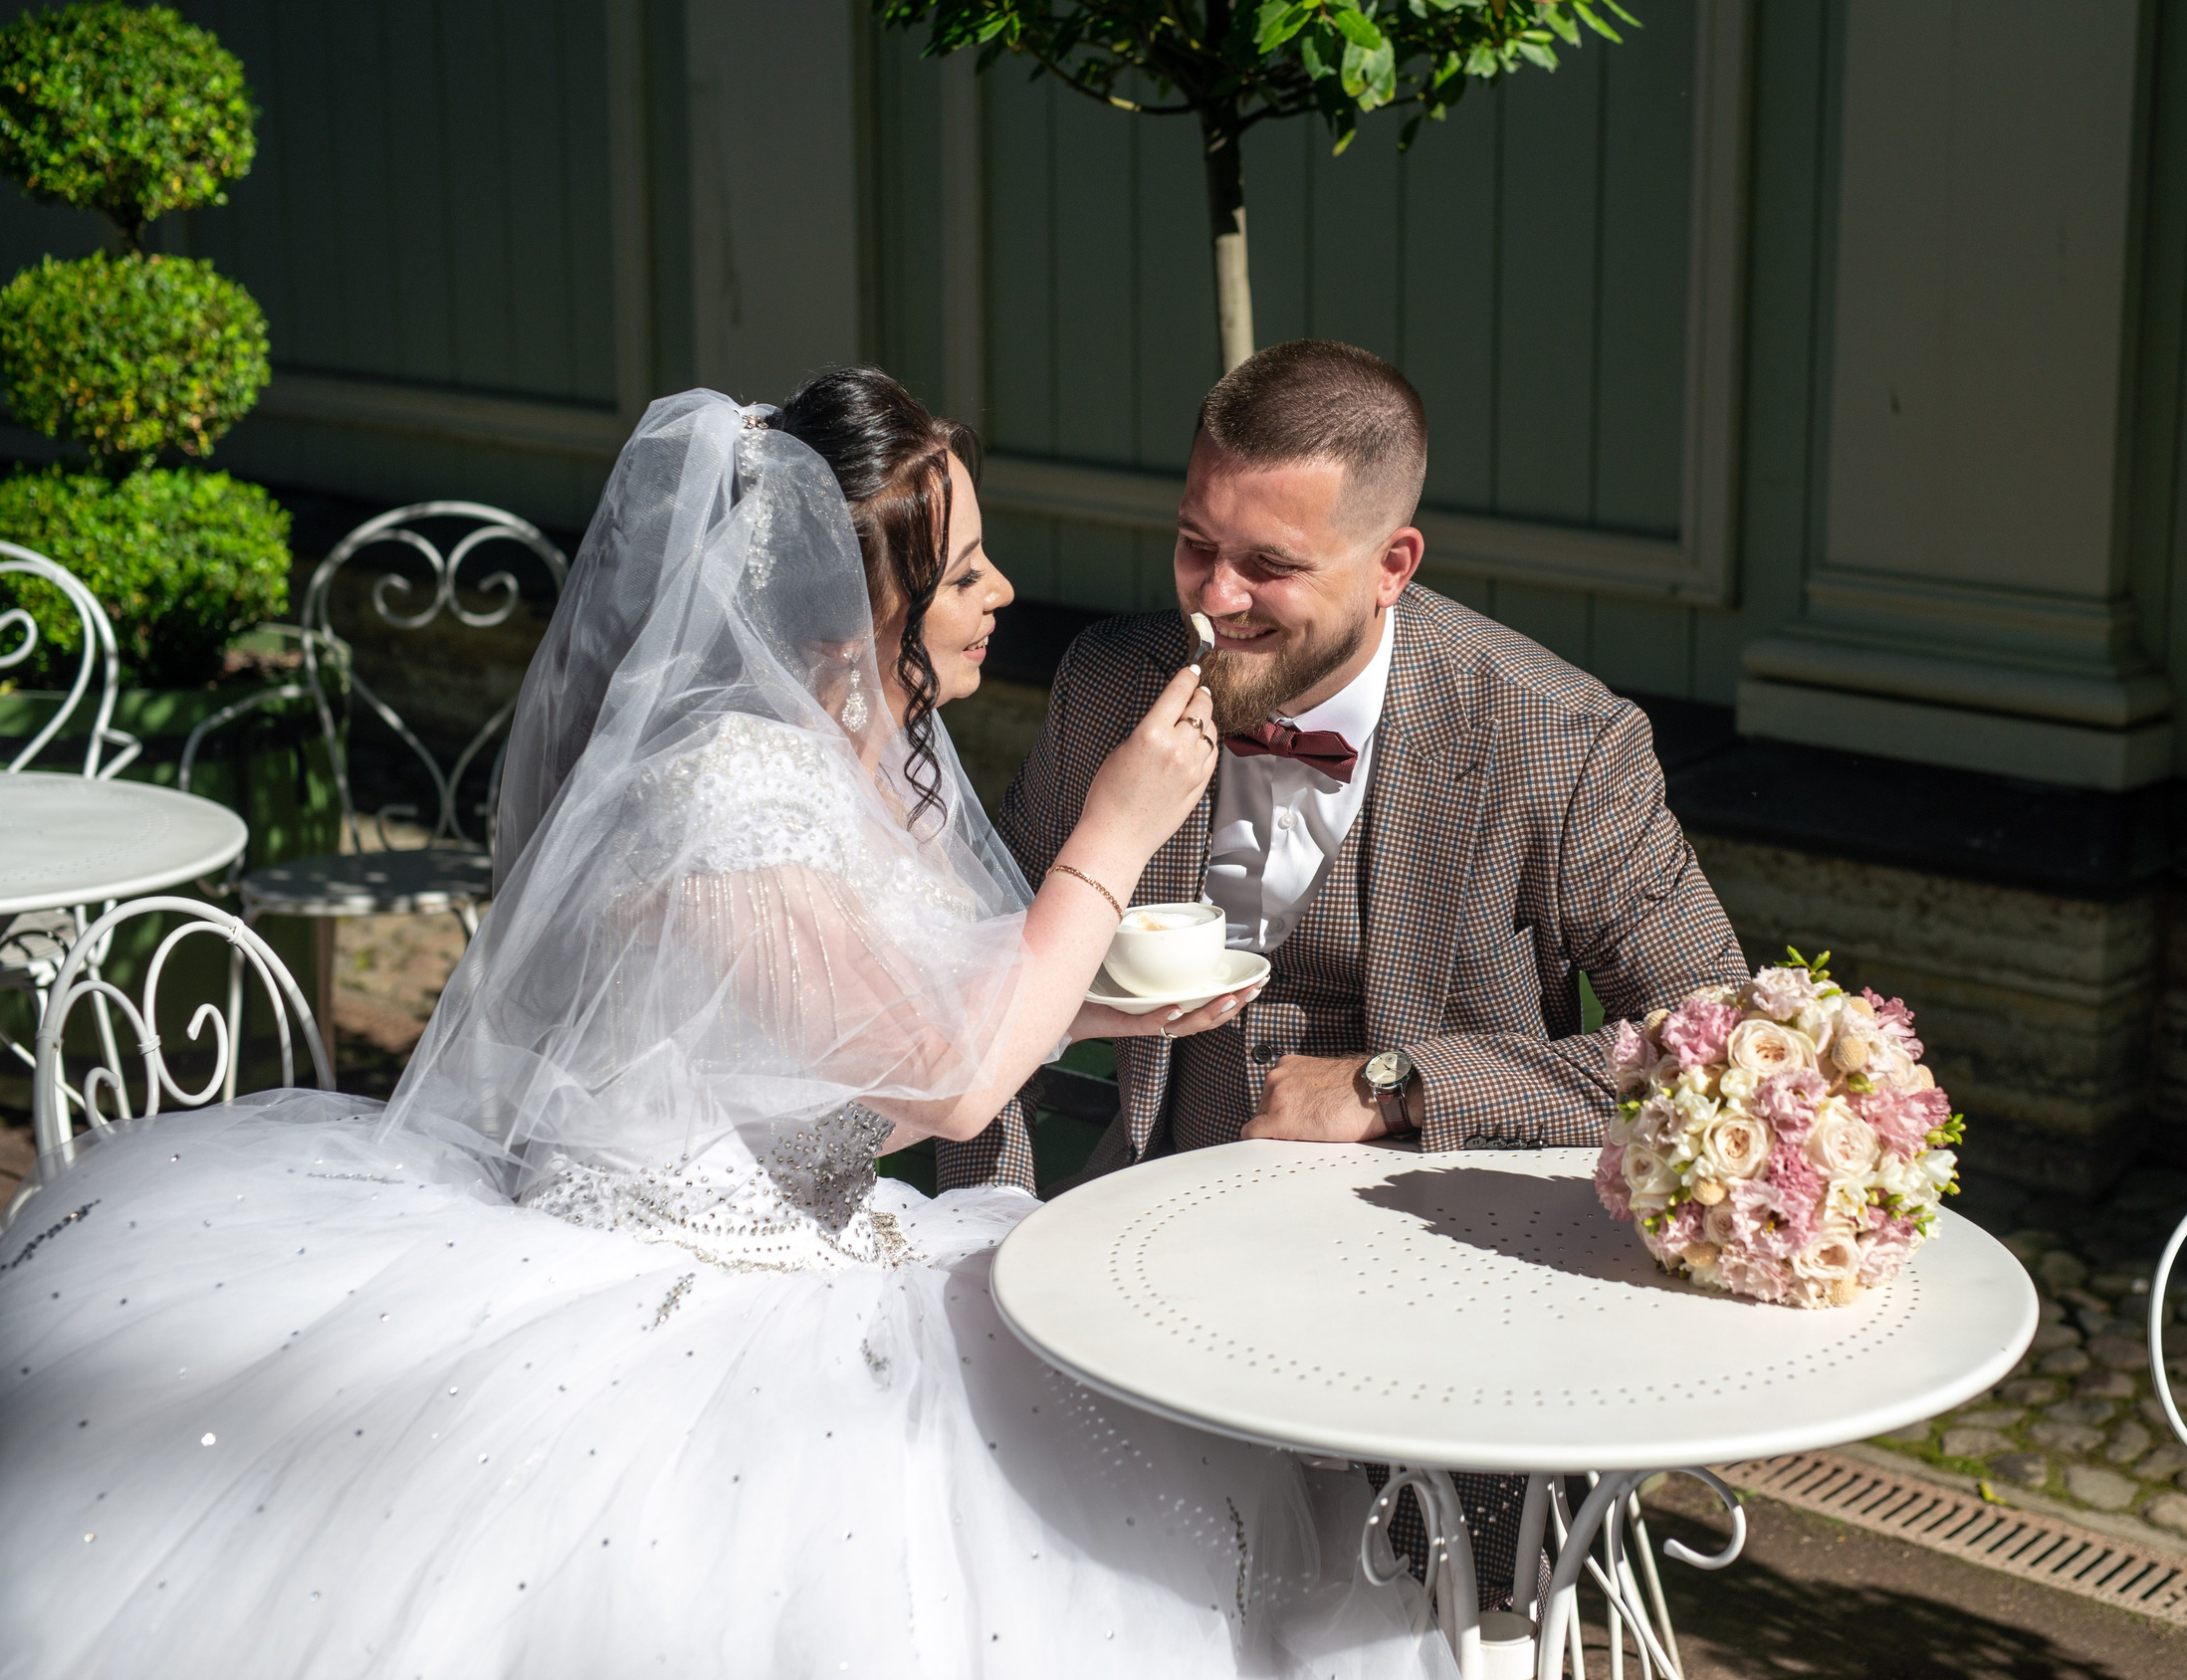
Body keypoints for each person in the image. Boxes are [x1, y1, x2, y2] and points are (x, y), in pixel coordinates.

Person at [0, 378, 1451, 1680]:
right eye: (959, 571)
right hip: (663, 1295)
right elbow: (948, 1089)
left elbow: (849, 1055)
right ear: (855, 614)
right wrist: (1111, 837)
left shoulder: (844, 755)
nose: (999, 590)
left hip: (816, 1219)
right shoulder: (727, 794)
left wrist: (1076, 998)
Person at [941, 339, 1750, 1605]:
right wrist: (980, 1256)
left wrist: (1399, 1081)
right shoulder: (1109, 681)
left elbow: (1717, 1041)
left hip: (1452, 1314)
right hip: (1151, 1281)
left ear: (1393, 565)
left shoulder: (1560, 736)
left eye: (1269, 564)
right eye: (1193, 542)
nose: (1213, 598)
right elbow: (983, 986)